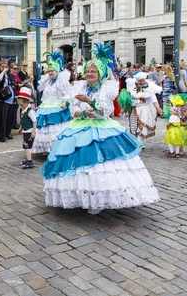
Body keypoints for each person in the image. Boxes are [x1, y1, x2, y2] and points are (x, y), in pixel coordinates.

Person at [40, 44, 160, 214]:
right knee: (78, 163)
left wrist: (90, 101)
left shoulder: (107, 88)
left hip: (101, 128)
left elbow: (106, 112)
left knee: (100, 165)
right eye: (88, 71)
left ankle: (99, 199)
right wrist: (82, 112)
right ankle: (81, 197)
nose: (89, 74)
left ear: (101, 73)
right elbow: (73, 110)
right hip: (79, 126)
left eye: (93, 71)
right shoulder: (79, 86)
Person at [32, 51, 72, 154]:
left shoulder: (61, 81)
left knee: (55, 131)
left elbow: (68, 94)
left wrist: (65, 103)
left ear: (57, 70)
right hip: (46, 108)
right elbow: (46, 96)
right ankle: (48, 150)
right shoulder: (48, 82)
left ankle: (57, 150)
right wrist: (40, 106)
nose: (50, 73)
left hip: (58, 109)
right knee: (45, 131)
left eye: (52, 71)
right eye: (49, 71)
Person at [121, 72, 163, 141]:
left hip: (145, 110)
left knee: (142, 127)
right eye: (140, 80)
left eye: (143, 80)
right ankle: (135, 142)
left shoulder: (150, 87)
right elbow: (128, 99)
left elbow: (153, 98)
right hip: (134, 110)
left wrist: (158, 108)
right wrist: (123, 109)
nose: (142, 82)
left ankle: (139, 143)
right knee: (134, 127)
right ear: (137, 80)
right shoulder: (132, 86)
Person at [0, 60, 17, 142]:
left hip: (11, 99)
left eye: (6, 66)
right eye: (2, 66)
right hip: (2, 100)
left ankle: (7, 133)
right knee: (2, 119)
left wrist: (15, 85)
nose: (4, 68)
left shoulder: (9, 75)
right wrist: (2, 72)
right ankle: (1, 135)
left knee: (10, 118)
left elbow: (14, 83)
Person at [16, 87, 36, 169]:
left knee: (28, 146)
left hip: (29, 131)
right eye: (20, 105)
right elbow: (23, 120)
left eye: (22, 105)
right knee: (25, 146)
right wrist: (21, 127)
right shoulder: (24, 110)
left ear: (27, 103)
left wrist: (33, 132)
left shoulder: (30, 111)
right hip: (25, 131)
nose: (21, 107)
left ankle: (30, 161)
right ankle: (28, 159)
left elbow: (34, 121)